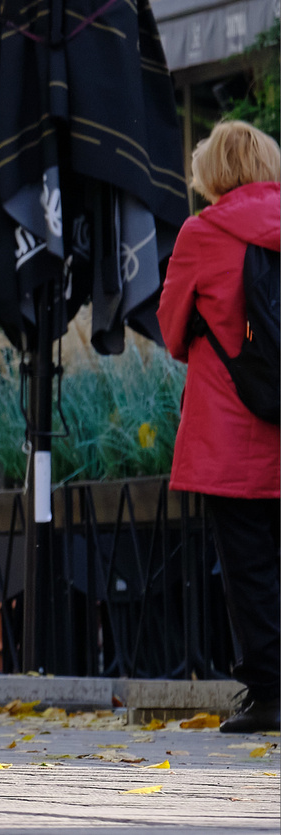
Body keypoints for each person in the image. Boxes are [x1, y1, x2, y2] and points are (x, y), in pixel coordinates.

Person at [162, 118, 280, 734]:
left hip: (231, 433)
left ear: (212, 172)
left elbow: (173, 328)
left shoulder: (202, 234)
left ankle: (270, 693)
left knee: (250, 566)